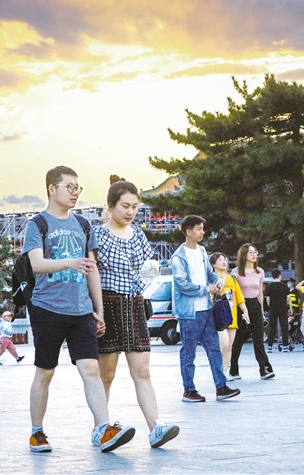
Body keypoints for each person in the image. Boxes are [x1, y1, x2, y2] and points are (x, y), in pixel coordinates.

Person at [24, 165, 134, 453]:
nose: (75, 193)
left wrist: (98, 310)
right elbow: (36, 264)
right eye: (69, 187)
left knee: (91, 369)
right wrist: (69, 262)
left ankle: (103, 429)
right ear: (52, 189)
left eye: (77, 188)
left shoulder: (84, 225)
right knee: (45, 372)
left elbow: (92, 269)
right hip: (48, 308)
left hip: (81, 310)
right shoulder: (37, 224)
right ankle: (37, 432)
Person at [95, 181, 180, 448]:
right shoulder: (97, 235)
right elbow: (91, 274)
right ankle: (101, 428)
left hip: (135, 305)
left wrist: (145, 278)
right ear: (111, 206)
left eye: (135, 207)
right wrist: (95, 311)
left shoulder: (138, 235)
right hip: (107, 304)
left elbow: (149, 266)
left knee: (142, 371)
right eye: (125, 206)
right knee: (106, 374)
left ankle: (155, 427)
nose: (131, 212)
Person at [172, 215, 240, 402]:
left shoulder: (202, 251)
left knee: (214, 350)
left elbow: (209, 273)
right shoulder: (178, 257)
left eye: (202, 228)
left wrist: (217, 281)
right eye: (199, 229)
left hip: (207, 309)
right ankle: (189, 390)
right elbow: (181, 284)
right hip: (189, 313)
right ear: (188, 231)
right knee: (189, 353)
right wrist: (206, 289)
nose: (202, 232)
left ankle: (221, 387)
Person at [229, 244, 274, 380]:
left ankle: (264, 369)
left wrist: (261, 311)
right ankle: (233, 370)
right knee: (238, 339)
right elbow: (233, 292)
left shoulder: (259, 271)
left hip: (255, 304)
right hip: (241, 305)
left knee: (258, 338)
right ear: (244, 255)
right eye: (250, 252)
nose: (254, 255)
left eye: (255, 252)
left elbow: (260, 293)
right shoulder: (236, 272)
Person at [210, 252, 250, 375]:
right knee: (224, 344)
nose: (224, 262)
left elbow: (239, 297)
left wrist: (245, 311)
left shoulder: (232, 279)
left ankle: (224, 372)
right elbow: (210, 295)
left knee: (229, 346)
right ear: (213, 264)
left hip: (232, 315)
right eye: (220, 260)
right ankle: (218, 371)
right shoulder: (211, 279)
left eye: (225, 259)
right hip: (219, 316)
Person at [264, 269, 291, 353]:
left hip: (273, 308)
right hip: (283, 308)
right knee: (284, 327)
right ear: (279, 275)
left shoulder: (269, 286)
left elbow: (268, 299)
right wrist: (290, 308)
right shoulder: (284, 285)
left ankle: (269, 346)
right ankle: (285, 346)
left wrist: (270, 306)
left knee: (271, 327)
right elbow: (288, 298)